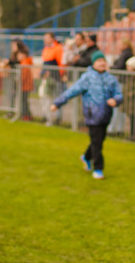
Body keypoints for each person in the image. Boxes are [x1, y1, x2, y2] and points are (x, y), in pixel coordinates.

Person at [51, 51, 123, 180]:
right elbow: (72, 91)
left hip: (106, 115)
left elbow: (118, 93)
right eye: (98, 61)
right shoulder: (87, 77)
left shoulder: (111, 79)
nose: (101, 63)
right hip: (92, 115)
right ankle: (98, 168)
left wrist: (116, 100)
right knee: (97, 142)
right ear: (93, 63)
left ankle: (86, 156)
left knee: (99, 140)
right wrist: (58, 103)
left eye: (103, 60)